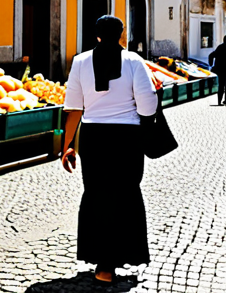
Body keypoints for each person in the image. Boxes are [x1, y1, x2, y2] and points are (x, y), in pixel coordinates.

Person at [60, 16, 158, 284]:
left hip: (94, 138)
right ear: (121, 35)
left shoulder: (80, 62)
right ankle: (125, 254)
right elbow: (148, 106)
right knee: (127, 194)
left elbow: (73, 109)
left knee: (97, 195)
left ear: (97, 35)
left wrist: (67, 147)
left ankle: (104, 266)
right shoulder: (134, 61)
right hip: (127, 138)